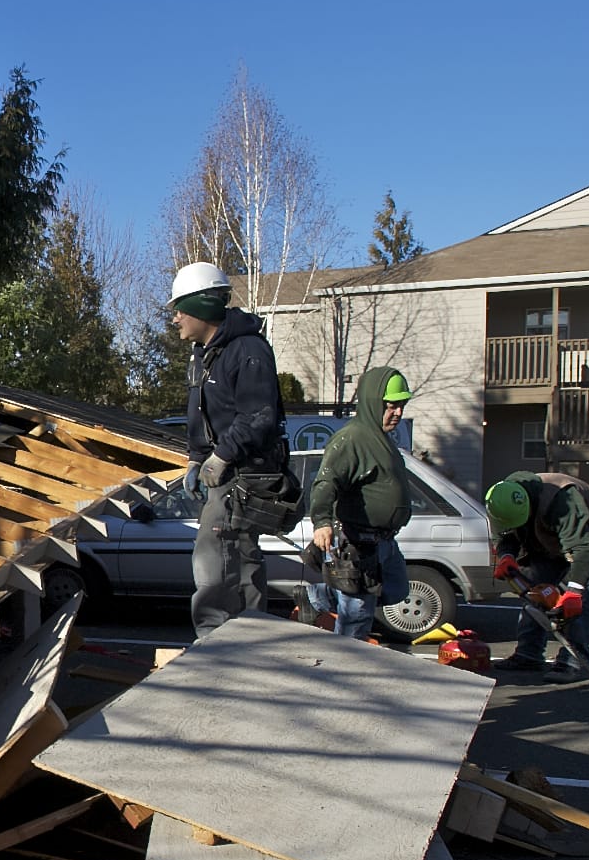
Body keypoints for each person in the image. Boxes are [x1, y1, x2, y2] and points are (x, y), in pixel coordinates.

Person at [172, 260, 291, 637]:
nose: (175, 319)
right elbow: (202, 415)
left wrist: (221, 457)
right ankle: (248, 640)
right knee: (239, 559)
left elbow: (258, 416)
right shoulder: (205, 354)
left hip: (241, 476)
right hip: (225, 473)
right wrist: (195, 458)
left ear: (203, 306)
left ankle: (216, 644)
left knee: (217, 562)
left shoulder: (247, 351)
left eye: (180, 309)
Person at [302, 367, 415, 639]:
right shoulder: (352, 438)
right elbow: (326, 482)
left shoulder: (381, 439)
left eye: (401, 406)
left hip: (385, 541)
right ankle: (345, 668)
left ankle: (318, 595)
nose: (398, 413)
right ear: (374, 403)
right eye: (391, 406)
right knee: (357, 615)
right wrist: (322, 522)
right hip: (359, 542)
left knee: (397, 590)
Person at [484, 470, 589, 674]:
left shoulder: (562, 500)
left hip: (588, 540)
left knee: (581, 604)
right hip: (545, 541)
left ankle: (573, 661)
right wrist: (506, 556)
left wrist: (574, 590)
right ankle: (528, 655)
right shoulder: (498, 502)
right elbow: (504, 535)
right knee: (534, 596)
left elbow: (585, 549)